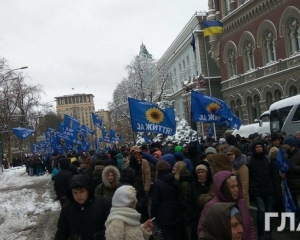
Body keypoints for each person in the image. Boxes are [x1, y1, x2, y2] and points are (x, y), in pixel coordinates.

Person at [197, 171, 256, 240]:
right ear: (224, 189)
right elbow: (203, 231)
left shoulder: (241, 202)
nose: (236, 190)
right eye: (232, 187)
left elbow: (249, 224)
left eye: (237, 186)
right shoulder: (212, 206)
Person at [54, 174, 111, 240]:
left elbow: (113, 227)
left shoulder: (103, 203)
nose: (79, 196)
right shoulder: (67, 209)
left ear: (88, 190)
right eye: (75, 193)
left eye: (81, 192)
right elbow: (62, 233)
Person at [247, 140, 281, 240]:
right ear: (254, 148)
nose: (259, 149)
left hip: (268, 189)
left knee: (269, 212)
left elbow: (274, 175)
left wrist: (276, 189)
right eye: (257, 147)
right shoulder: (250, 160)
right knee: (261, 211)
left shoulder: (268, 159)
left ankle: (268, 232)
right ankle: (261, 233)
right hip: (257, 190)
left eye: (260, 147)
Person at [151, 160, 181, 240]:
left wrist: (153, 214)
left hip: (162, 213)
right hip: (175, 211)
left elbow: (155, 200)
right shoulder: (175, 180)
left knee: (167, 235)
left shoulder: (157, 183)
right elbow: (179, 196)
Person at [187, 161, 212, 240]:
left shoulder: (212, 185)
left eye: (202, 172)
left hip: (209, 217)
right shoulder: (193, 186)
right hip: (196, 217)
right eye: (198, 172)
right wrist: (192, 215)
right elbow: (189, 202)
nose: (200, 174)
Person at [126, 146, 151, 222]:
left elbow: (147, 176)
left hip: (142, 189)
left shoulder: (144, 162)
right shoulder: (128, 163)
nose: (137, 155)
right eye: (134, 153)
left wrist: (146, 189)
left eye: (139, 153)